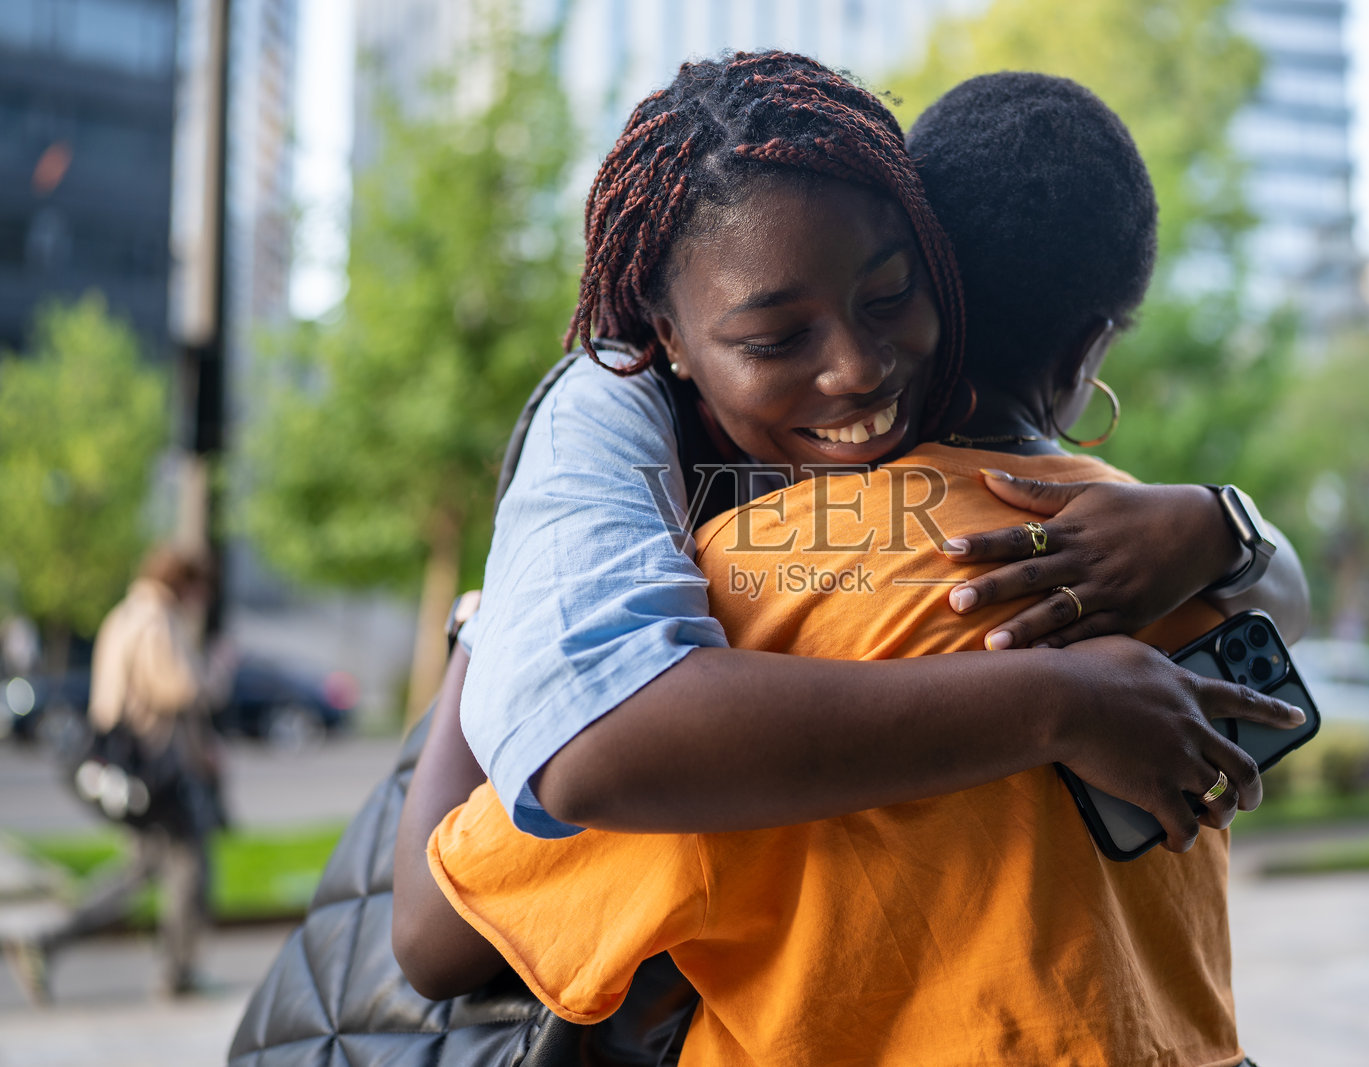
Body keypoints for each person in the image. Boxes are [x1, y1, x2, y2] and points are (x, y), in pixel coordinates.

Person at [403, 70, 1303, 1064]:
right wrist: (1225, 532)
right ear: (1093, 345)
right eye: (777, 335)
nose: (858, 369)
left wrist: (498, 622)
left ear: (927, 260)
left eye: (882, 300)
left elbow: (440, 936)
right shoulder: (1159, 562)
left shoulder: (732, 613)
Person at [1, 545, 224, 1004]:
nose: (204, 596)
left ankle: (48, 941)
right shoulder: (155, 619)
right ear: (182, 581)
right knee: (188, 863)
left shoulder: (125, 614)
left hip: (137, 765)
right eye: (200, 585)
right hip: (158, 766)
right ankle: (176, 972)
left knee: (143, 868)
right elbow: (175, 688)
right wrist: (214, 674)